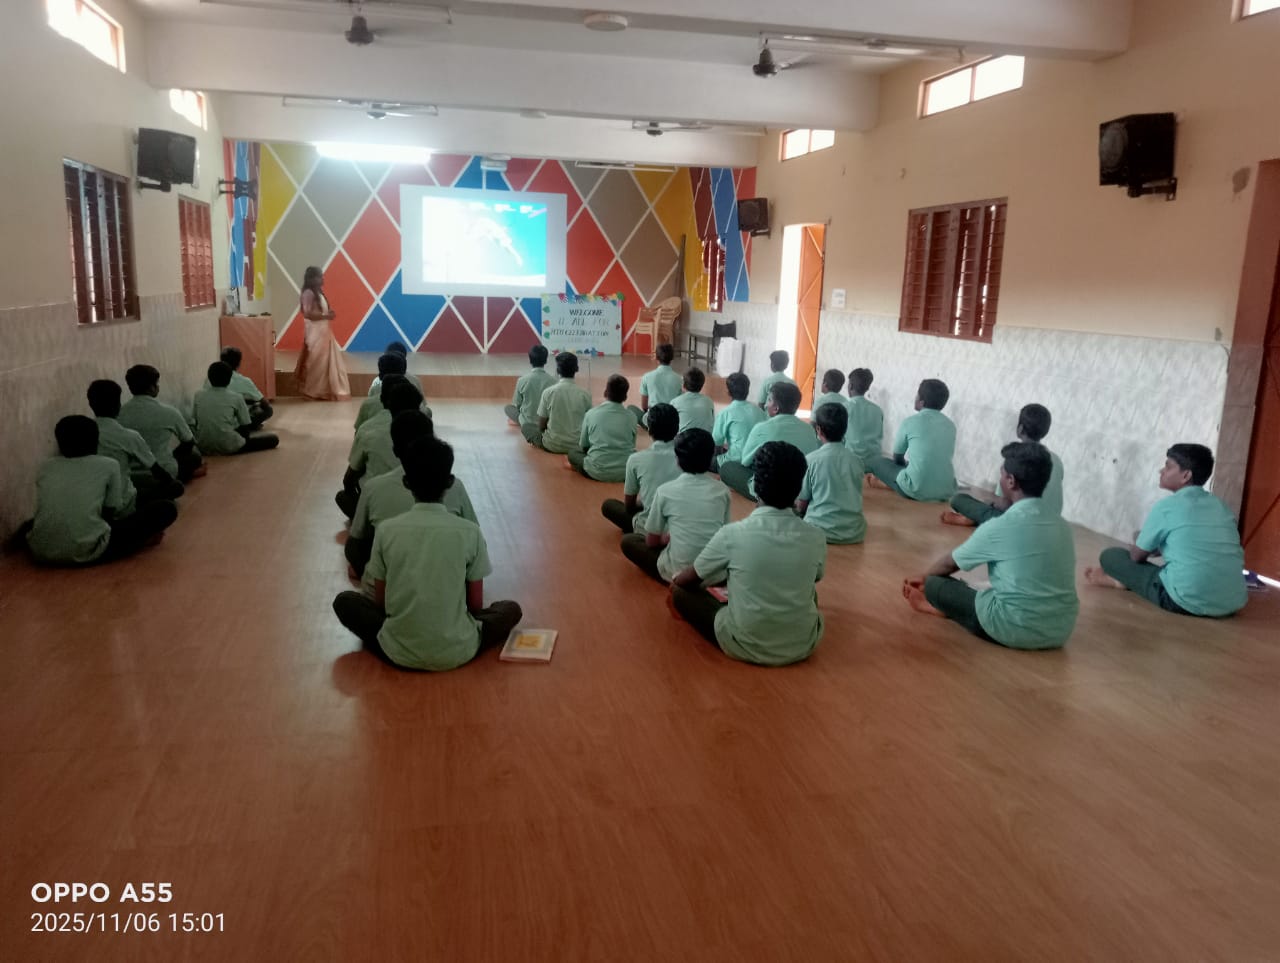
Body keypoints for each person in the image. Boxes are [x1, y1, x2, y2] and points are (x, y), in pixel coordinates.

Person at [332, 436, 523, 671]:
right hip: (459, 649)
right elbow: (475, 605)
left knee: (345, 601)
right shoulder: (470, 532)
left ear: (406, 482)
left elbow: (381, 603)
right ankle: (450, 636)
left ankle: (403, 638)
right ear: (450, 482)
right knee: (510, 609)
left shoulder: (387, 531)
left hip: (397, 650)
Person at [904, 442, 1079, 650]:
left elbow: (950, 563)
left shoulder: (1000, 526)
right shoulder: (1062, 526)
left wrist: (924, 577)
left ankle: (941, 608)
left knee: (934, 583)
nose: (1000, 479)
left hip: (1012, 628)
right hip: (1060, 631)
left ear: (1011, 481)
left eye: (1002, 474)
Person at [670, 441, 826, 665]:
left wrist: (677, 578)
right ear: (798, 486)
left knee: (680, 593)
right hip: (803, 643)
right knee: (805, 586)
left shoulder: (732, 534)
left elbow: (688, 579)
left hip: (743, 643)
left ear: (754, 486)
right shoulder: (816, 536)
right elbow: (816, 577)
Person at [1084, 444, 1247, 618]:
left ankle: (1122, 581)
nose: (1161, 471)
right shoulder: (1220, 506)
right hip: (1232, 602)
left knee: (1111, 556)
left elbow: (1136, 557)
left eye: (1168, 467)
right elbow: (1199, 544)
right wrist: (1162, 547)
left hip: (1183, 600)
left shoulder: (1167, 507)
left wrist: (1139, 538)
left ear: (1185, 476)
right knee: (1180, 566)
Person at [25, 415, 177, 566]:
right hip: (89, 550)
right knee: (167, 508)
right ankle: (139, 542)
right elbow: (111, 512)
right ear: (96, 442)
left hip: (40, 551)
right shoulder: (109, 465)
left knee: (35, 523)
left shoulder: (46, 467)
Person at [346, 410, 477, 581]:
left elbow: (357, 547)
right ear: (449, 482)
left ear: (406, 483)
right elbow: (476, 556)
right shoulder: (468, 524)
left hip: (393, 585)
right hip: (449, 589)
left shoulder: (386, 527)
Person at [620, 428, 730, 584]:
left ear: (677, 460)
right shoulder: (723, 491)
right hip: (715, 573)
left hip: (676, 570)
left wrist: (664, 539)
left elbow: (651, 542)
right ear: (711, 457)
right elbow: (724, 534)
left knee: (629, 541)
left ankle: (682, 586)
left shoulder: (665, 491)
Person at [944, 404, 1063, 526]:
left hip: (1019, 524)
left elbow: (1005, 504)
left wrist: (990, 503)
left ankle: (971, 519)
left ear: (1020, 429)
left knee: (959, 499)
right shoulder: (1057, 461)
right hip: (1051, 524)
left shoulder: (1015, 457)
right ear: (1045, 432)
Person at [86, 380, 184, 508]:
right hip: (123, 499)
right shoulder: (128, 436)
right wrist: (171, 481)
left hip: (94, 498)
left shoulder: (84, 433)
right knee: (174, 491)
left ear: (90, 404)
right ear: (118, 405)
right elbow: (157, 470)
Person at [337, 379, 422, 518]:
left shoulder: (368, 430)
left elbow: (349, 479)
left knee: (344, 496)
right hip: (421, 507)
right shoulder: (425, 428)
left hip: (378, 506)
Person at [719, 382, 819, 499]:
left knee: (727, 467)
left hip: (770, 492)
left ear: (776, 408)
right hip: (799, 490)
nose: (766, 405)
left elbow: (745, 461)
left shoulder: (762, 427)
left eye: (769, 400)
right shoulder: (809, 429)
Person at [867, 378, 956, 502]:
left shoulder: (910, 422)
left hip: (916, 489)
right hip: (947, 490)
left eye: (917, 395)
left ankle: (889, 484)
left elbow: (897, 457)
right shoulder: (950, 425)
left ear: (921, 401)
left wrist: (904, 467)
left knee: (877, 462)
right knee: (914, 467)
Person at [601, 403, 681, 534]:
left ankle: (640, 533)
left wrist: (645, 503)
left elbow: (629, 506)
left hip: (651, 528)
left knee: (609, 506)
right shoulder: (687, 458)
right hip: (681, 526)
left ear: (649, 430)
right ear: (677, 429)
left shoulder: (636, 459)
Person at [118, 364, 204, 481]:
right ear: (151, 388)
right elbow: (189, 442)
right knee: (194, 455)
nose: (158, 387)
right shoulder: (169, 412)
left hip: (130, 474)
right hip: (163, 470)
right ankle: (185, 474)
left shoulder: (120, 413)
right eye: (157, 384)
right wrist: (174, 455)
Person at [797, 403, 867, 545]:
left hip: (818, 530)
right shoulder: (857, 461)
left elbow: (802, 504)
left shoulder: (811, 460)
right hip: (854, 532)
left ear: (818, 430)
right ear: (845, 429)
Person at [193, 362, 282, 457]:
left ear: (209, 378)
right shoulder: (236, 397)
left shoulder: (198, 395)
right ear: (229, 380)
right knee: (273, 439)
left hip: (203, 446)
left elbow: (196, 421)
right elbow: (245, 427)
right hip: (229, 445)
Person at [294, 265, 351, 401]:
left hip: (323, 331)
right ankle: (312, 391)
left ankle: (322, 391)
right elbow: (307, 314)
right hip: (315, 333)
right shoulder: (308, 293)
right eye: (319, 276)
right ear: (312, 278)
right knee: (317, 361)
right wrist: (326, 316)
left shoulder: (318, 292)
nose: (322, 279)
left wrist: (328, 314)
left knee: (324, 363)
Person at [569, 374, 637, 482]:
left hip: (596, 471)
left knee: (573, 452)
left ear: (605, 392)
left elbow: (584, 445)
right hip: (624, 472)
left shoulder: (591, 414)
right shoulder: (632, 417)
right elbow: (632, 445)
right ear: (625, 397)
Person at [534, 352, 592, 454]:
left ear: (557, 370)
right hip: (577, 445)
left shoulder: (548, 392)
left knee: (527, 427)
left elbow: (541, 425)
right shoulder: (585, 394)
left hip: (552, 445)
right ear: (577, 369)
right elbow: (589, 423)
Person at [711, 372, 765, 473]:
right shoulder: (760, 411)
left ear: (728, 392)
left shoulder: (725, 413)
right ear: (747, 390)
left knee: (702, 459)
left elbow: (716, 443)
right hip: (756, 462)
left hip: (735, 462)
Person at [210, 346, 273, 427]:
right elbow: (265, 403)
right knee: (267, 410)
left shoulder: (208, 381)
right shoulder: (243, 381)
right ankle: (251, 425)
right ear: (239, 363)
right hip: (233, 424)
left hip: (212, 421)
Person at [505, 344, 554, 438]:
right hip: (546, 422)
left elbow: (517, 404)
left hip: (527, 421)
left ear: (530, 360)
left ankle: (519, 422)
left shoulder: (522, 380)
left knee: (508, 408)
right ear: (546, 360)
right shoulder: (553, 381)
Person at [844, 367, 884, 467]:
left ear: (851, 386)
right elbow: (879, 436)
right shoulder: (877, 410)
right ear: (867, 388)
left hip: (852, 461)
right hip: (875, 462)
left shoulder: (845, 408)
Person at [638, 343, 683, 425]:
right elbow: (680, 404)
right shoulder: (679, 379)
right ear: (672, 358)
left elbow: (644, 406)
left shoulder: (647, 377)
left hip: (654, 419)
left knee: (632, 409)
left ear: (656, 358)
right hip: (671, 420)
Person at [671, 367, 715, 433]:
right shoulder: (709, 401)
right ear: (702, 385)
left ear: (683, 384)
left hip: (684, 438)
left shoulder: (675, 402)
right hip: (705, 438)